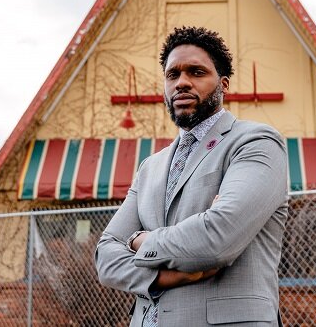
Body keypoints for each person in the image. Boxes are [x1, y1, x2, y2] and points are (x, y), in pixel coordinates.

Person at [95, 26, 288, 326]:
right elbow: (105, 257)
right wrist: (166, 276)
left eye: (196, 72)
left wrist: (138, 241)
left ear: (223, 84)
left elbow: (217, 239)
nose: (182, 83)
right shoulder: (150, 167)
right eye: (173, 75)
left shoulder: (255, 142)